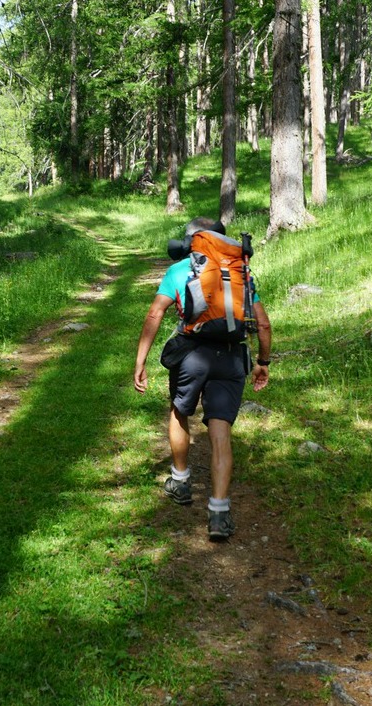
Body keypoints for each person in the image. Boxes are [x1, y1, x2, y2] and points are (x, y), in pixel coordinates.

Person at [133, 217, 272, 542]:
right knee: (220, 431)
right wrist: (263, 362)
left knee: (180, 412)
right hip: (231, 358)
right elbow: (262, 324)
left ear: (191, 241)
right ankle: (219, 513)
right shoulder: (241, 271)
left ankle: (180, 481)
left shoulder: (181, 269)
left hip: (192, 356)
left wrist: (140, 360)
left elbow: (155, 314)